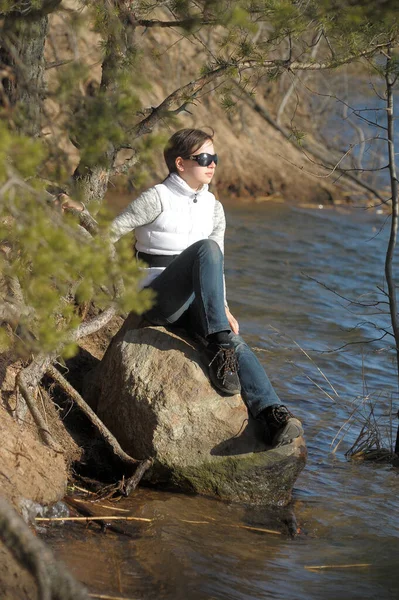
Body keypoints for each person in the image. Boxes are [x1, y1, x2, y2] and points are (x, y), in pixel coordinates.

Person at [110, 128, 303, 447]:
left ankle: (271, 415)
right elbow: (108, 234)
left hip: (192, 303)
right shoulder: (156, 197)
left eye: (215, 158)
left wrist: (223, 308)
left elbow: (218, 266)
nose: (212, 164)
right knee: (206, 250)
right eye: (203, 158)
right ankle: (220, 343)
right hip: (156, 299)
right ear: (181, 163)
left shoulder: (214, 207)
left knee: (231, 337)